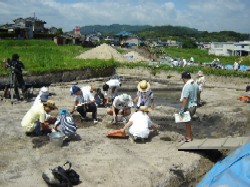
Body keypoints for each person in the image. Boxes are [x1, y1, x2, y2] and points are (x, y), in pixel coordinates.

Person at [179, 71, 199, 142]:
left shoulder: (187, 86)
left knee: (187, 122)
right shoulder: (195, 83)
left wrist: (182, 108)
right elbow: (198, 93)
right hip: (194, 105)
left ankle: (188, 138)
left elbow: (185, 98)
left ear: (184, 78)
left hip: (189, 106)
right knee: (188, 121)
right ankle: (189, 135)